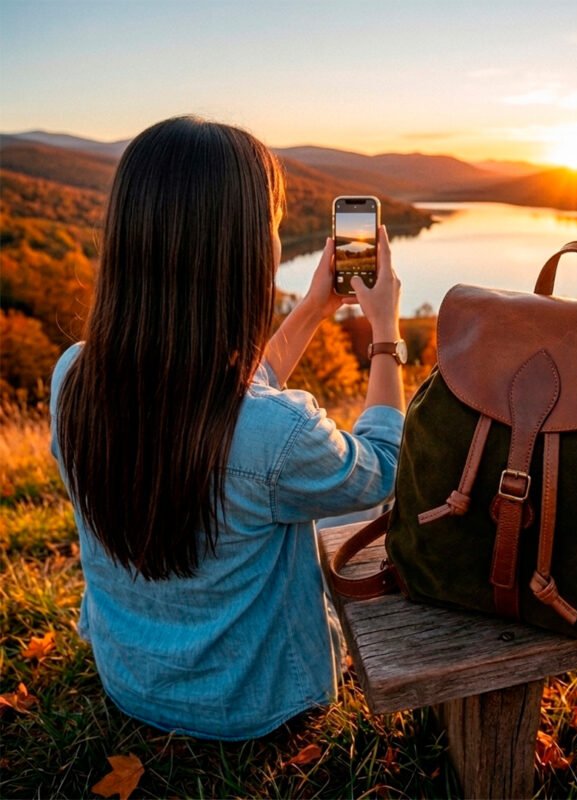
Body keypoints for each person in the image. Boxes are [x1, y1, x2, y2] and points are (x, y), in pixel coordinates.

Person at [49, 116, 406, 740]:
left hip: (130, 680)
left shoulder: (73, 375)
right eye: (270, 227)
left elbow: (228, 398)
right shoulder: (277, 433)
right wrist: (385, 335)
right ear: (240, 253)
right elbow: (384, 464)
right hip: (256, 705)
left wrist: (316, 307)